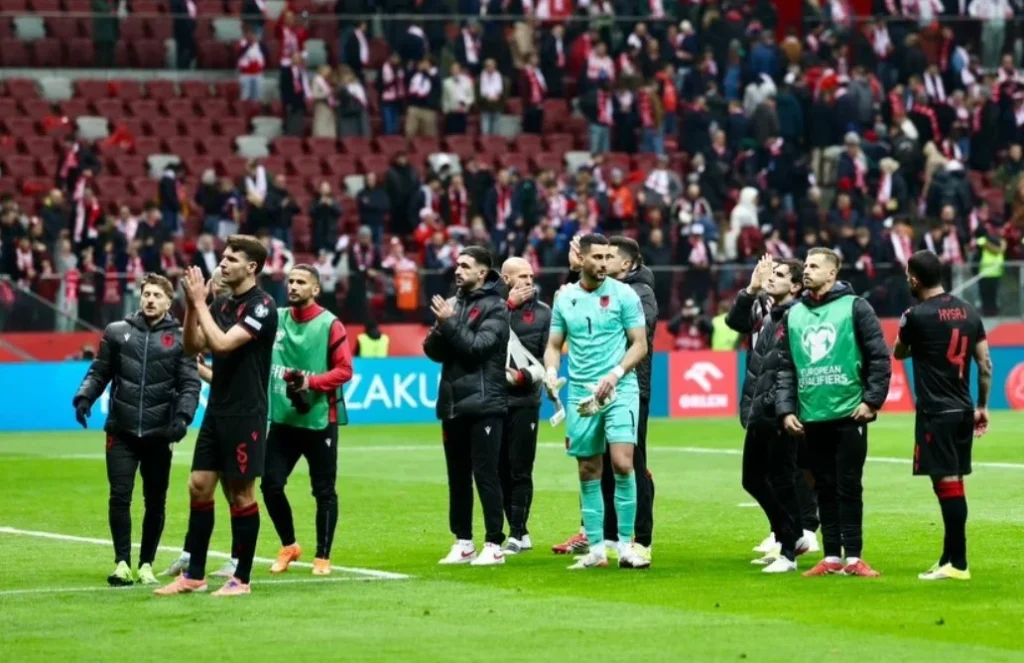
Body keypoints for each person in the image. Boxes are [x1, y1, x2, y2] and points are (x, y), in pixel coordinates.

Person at [154, 235, 278, 597]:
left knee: (240, 493)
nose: (222, 263)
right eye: (222, 257)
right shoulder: (222, 304)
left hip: (247, 411)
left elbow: (222, 345)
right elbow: (192, 345)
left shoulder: (262, 306)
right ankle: (194, 575)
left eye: (231, 259)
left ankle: (241, 578)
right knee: (198, 484)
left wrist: (199, 302)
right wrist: (195, 306)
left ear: (251, 267)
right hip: (218, 408)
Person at [72, 274, 201, 587]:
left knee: (155, 501)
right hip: (121, 430)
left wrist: (183, 417)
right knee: (120, 496)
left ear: (169, 302)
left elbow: (189, 383)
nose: (150, 299)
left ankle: (146, 564)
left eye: (157, 295)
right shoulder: (117, 332)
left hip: (159, 434)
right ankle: (121, 563)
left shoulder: (181, 337)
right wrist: (85, 397)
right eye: (147, 294)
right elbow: (99, 371)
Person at [776, 247, 892, 578]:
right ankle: (830, 557)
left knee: (849, 486)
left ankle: (853, 557)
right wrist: (786, 409)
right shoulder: (793, 314)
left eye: (814, 266)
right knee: (824, 488)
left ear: (832, 273)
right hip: (812, 416)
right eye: (806, 265)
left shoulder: (856, 307)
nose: (806, 270)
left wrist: (871, 401)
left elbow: (879, 357)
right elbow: (785, 367)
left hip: (849, 413)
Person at [543, 234, 650, 570]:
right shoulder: (565, 298)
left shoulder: (625, 294)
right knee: (588, 469)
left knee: (622, 463)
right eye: (598, 257)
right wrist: (550, 372)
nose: (604, 264)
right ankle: (596, 550)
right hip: (581, 393)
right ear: (582, 259)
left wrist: (615, 374)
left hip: (620, 389)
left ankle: (627, 546)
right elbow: (554, 345)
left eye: (608, 257)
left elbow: (640, 344)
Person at [894, 250, 992, 581]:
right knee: (951, 482)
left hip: (936, 412)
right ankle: (948, 558)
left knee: (947, 485)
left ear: (914, 279)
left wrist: (919, 345)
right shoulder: (969, 311)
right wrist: (982, 406)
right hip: (963, 409)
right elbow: (985, 365)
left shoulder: (914, 315)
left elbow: (899, 352)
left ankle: (959, 564)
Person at [726, 255, 819, 574]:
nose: (771, 277)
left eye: (779, 275)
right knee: (752, 479)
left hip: (780, 409)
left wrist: (784, 406)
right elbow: (749, 347)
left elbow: (791, 367)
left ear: (795, 286)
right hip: (760, 407)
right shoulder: (769, 314)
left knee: (783, 477)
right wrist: (752, 287)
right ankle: (789, 536)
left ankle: (789, 549)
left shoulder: (798, 316)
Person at [423, 246, 510, 566]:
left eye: (465, 266)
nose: (457, 270)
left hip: (485, 403)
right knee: (457, 477)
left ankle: (494, 544)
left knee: (486, 475)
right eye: (457, 265)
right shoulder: (453, 304)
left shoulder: (497, 308)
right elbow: (433, 352)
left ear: (482, 273)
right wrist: (440, 326)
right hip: (453, 404)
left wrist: (449, 323)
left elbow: (477, 349)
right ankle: (463, 542)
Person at [499, 257, 551, 555]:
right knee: (498, 470)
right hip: (494, 399)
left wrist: (525, 376)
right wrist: (507, 306)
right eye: (522, 276)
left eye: (531, 276)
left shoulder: (544, 314)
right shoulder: (495, 309)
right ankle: (519, 529)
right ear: (506, 279)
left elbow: (549, 355)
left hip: (526, 400)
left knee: (520, 468)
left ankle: (517, 533)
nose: (529, 281)